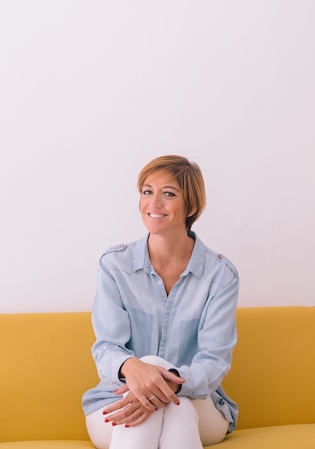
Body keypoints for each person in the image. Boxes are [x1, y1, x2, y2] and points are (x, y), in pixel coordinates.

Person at [82, 155, 239, 449]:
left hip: (200, 404)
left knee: (169, 393)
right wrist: (135, 370)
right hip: (118, 401)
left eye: (168, 194)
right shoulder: (115, 265)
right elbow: (106, 348)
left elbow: (214, 361)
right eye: (146, 191)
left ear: (191, 206)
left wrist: (164, 383)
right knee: (172, 407)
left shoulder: (220, 275)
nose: (153, 204)